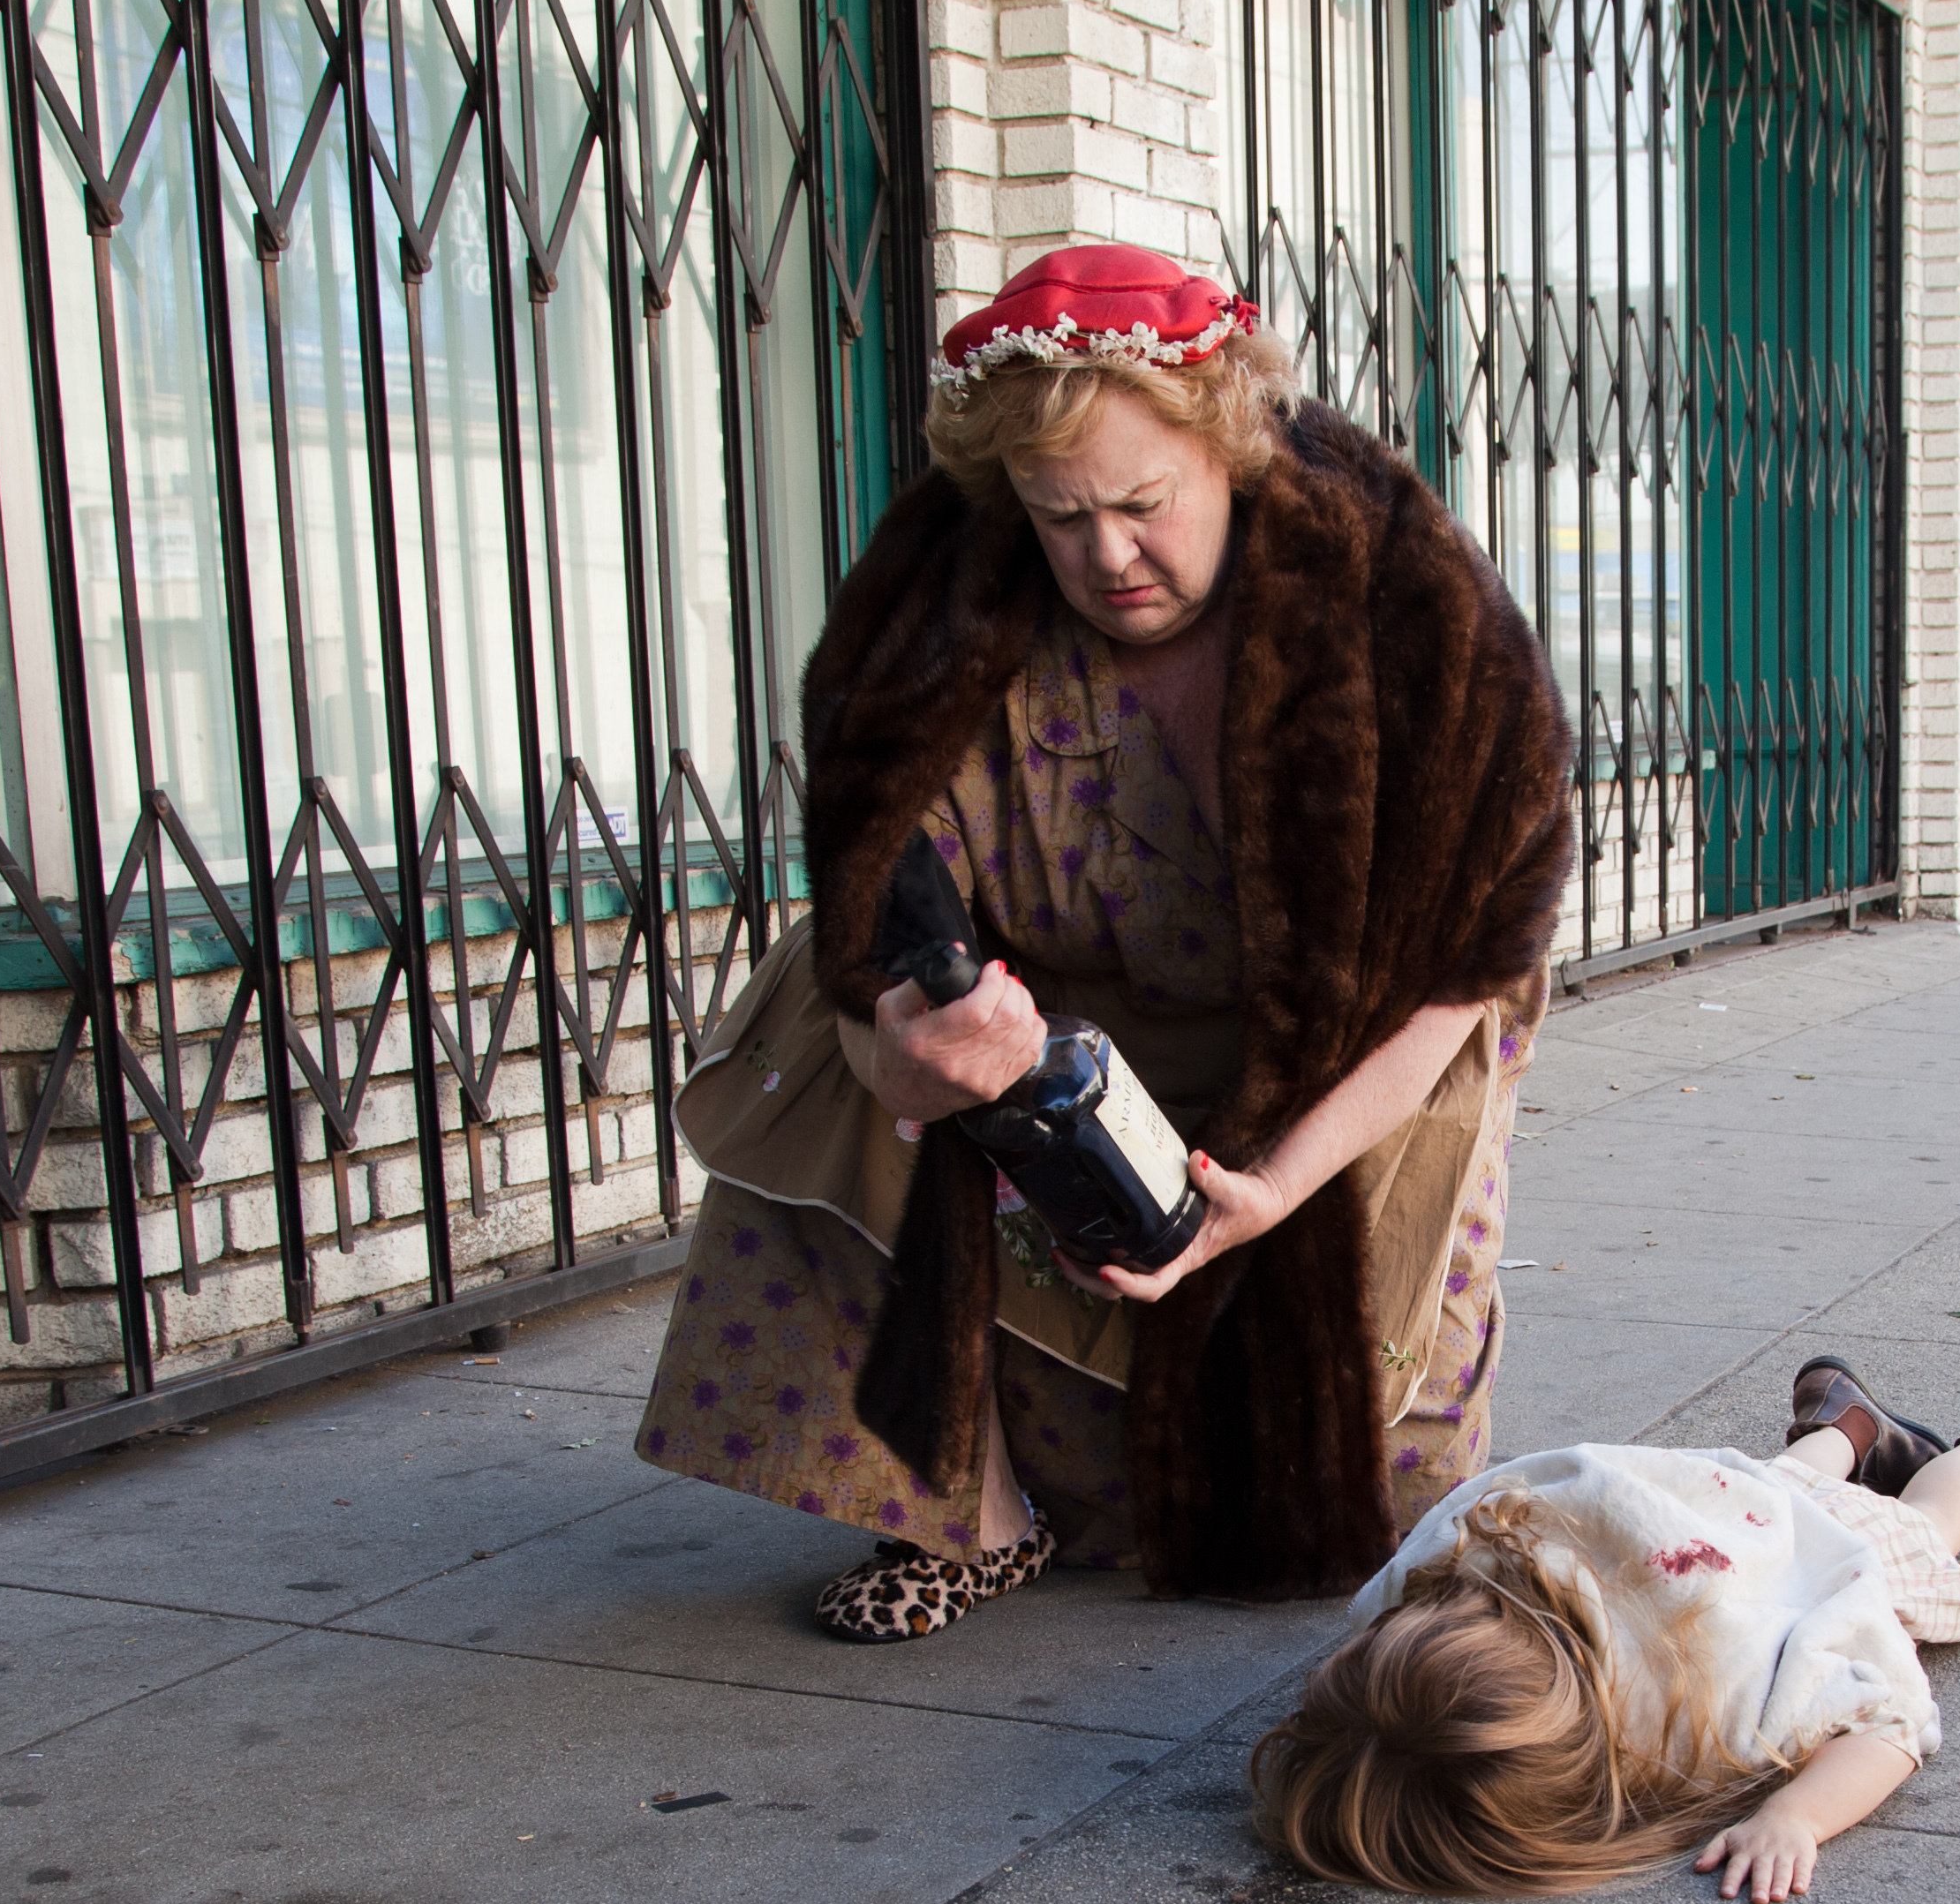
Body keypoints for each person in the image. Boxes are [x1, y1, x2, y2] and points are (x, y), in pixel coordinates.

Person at [645, 246, 1572, 1638]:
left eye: (1144, 505)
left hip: (1352, 1058)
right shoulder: (942, 616)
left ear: (1232, 449)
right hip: (1067, 1057)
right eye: (1060, 517)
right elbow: (867, 913)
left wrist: (1272, 1187)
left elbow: (1465, 970)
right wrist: (916, 1061)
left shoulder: (1404, 601)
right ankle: (971, 1507)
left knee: (1376, 1505)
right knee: (804, 1000)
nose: (1108, 557)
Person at [1250, 1355, 1960, 1904]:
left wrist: (1798, 1815)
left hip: (1816, 1559)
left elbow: (1888, 1725)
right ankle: (1844, 1429)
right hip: (1721, 1510)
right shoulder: (1438, 1581)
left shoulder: (1708, 1704)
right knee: (1790, 1482)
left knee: (1931, 1522)